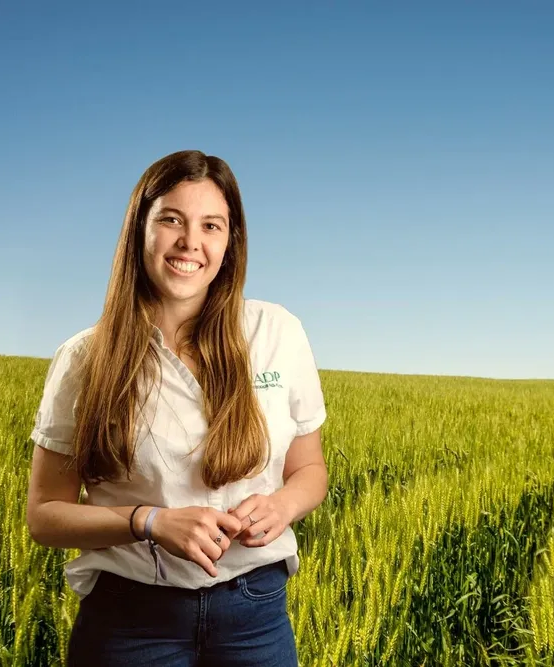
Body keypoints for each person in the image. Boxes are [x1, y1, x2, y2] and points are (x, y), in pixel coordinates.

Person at [25, 149, 328, 666]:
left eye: (212, 225)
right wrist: (150, 522)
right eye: (171, 220)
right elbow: (45, 516)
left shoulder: (277, 333)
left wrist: (280, 506)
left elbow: (310, 470)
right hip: (130, 618)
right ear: (139, 229)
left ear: (231, 243)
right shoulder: (84, 358)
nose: (191, 242)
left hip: (256, 613)